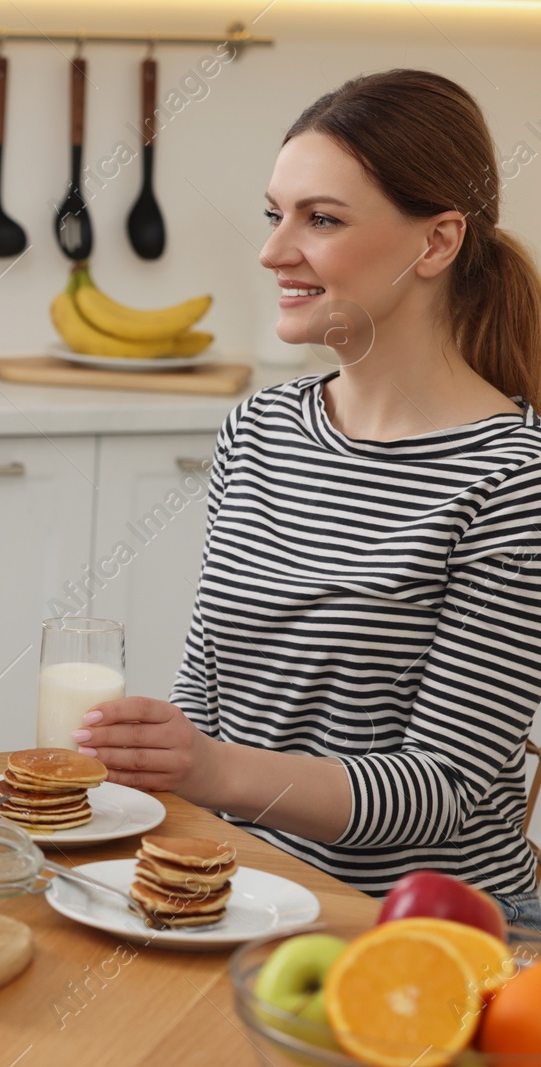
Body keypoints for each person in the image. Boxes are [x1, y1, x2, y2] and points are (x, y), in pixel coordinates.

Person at [73, 70, 541, 927]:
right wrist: (162, 763)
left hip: (425, 925)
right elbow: (210, 695)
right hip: (251, 889)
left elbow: (441, 790)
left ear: (436, 243)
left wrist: (208, 768)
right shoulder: (259, 430)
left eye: (320, 219)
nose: (272, 250)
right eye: (274, 213)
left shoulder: (512, 480)